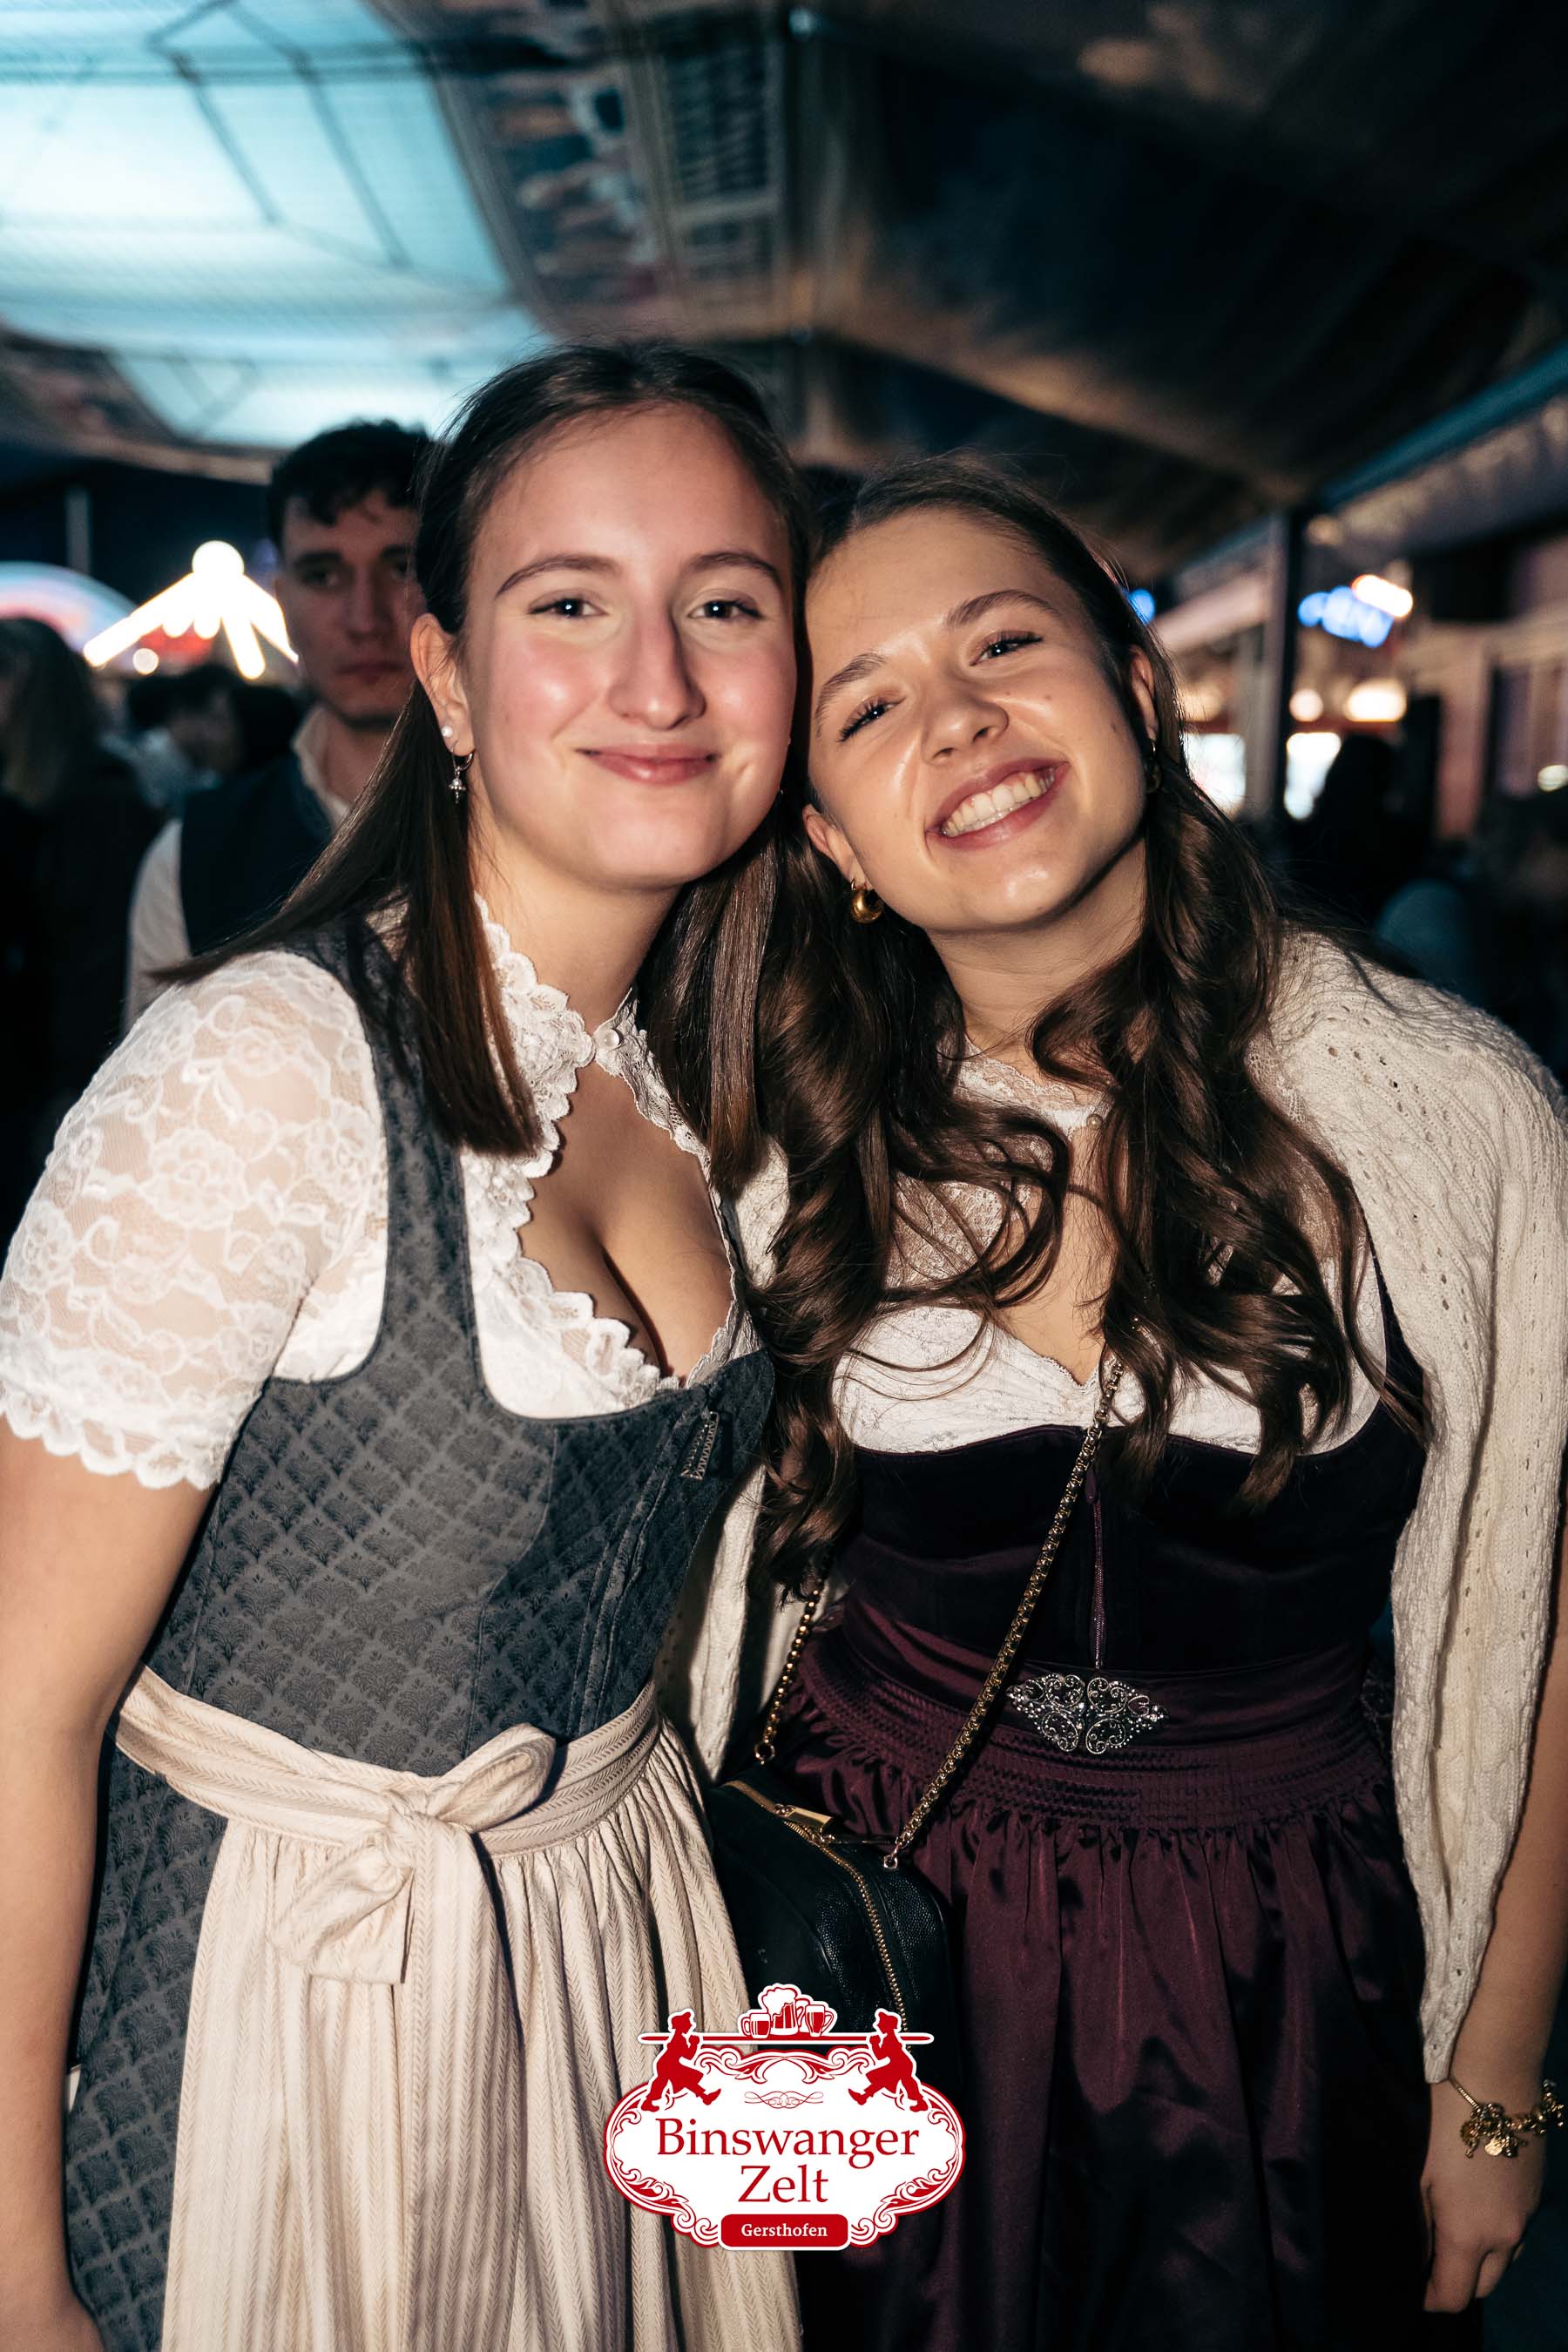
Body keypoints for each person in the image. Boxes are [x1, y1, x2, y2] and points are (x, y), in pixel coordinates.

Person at [693, 458, 1568, 2351]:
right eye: (871, 706)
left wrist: (1497, 2084)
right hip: (860, 1936)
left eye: (1005, 643)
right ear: (831, 836)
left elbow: (1539, 1617)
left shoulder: (1456, 1114)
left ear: (1141, 690)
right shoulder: (776, 1140)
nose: (960, 721)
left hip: (1280, 1955)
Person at [0, 344, 808, 2352]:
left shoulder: (698, 1076)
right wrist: (15, 2273)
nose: (659, 679)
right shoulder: (262, 1070)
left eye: (724, 601)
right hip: (292, 2002)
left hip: (611, 1960)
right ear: (446, 674)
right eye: (571, 602)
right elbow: (18, 1710)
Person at [123, 419, 429, 1024]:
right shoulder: (190, 856)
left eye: (401, 567)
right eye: (323, 576)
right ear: (283, 600)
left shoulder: (543, 819)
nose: (364, 618)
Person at [0, 618, 159, 1233]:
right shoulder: (41, 805)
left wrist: (76, 1087)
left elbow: (96, 964)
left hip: (52, 1083)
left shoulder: (99, 809)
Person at [122, 661, 244, 813]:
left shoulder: (209, 774)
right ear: (183, 712)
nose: (227, 735)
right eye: (217, 720)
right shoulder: (136, 766)